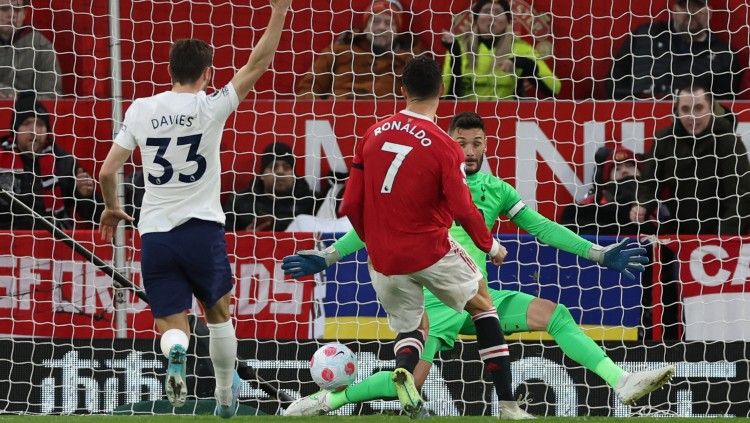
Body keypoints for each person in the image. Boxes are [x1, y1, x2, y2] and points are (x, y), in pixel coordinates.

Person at [282, 112, 674, 418]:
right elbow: (372, 227)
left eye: (477, 143)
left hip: (478, 298)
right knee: (406, 384)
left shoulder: (495, 190)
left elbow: (541, 227)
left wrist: (598, 254)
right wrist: (330, 255)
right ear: (447, 144)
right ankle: (327, 401)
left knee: (557, 315)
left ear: (486, 146)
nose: (470, 151)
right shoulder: (425, 182)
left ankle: (620, 381)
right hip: (436, 304)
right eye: (461, 143)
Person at [96, 0, 291, 417]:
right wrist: (279, 11)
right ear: (207, 74)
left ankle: (177, 354)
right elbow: (259, 62)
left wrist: (113, 208)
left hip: (155, 233)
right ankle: (224, 397)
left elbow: (108, 170)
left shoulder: (141, 109)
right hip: (201, 229)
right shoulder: (211, 105)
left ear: (169, 72)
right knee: (219, 312)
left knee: (170, 321)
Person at [633, 84, 750, 235]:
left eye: (699, 108)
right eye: (685, 109)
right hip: (678, 235)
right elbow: (648, 185)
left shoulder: (729, 142)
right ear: (677, 111)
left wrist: (720, 239)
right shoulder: (664, 140)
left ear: (711, 108)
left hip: (722, 237)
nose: (692, 116)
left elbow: (741, 198)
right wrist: (642, 205)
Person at [0, 92, 100, 229]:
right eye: (26, 123)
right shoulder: (1, 156)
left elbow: (95, 216)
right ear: (15, 130)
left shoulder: (64, 163)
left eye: (40, 124)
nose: (34, 131)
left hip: (54, 242)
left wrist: (86, 196)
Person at [609, 0, 739, 100]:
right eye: (684, 6)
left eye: (697, 7)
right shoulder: (645, 34)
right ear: (674, 10)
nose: (690, 12)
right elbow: (614, 80)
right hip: (636, 120)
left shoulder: (724, 55)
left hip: (691, 126)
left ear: (710, 13)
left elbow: (724, 103)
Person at [295, 0, 426, 99]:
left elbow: (422, 98)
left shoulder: (411, 60)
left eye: (388, 23)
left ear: (397, 30)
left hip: (386, 123)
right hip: (336, 118)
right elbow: (308, 89)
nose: (381, 27)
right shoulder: (339, 50)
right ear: (365, 26)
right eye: (375, 21)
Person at [441, 0, 560, 100]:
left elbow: (554, 88)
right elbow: (445, 94)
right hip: (466, 118)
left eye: (498, 12)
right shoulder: (460, 46)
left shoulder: (521, 48)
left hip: (506, 116)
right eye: (486, 11)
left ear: (508, 21)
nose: (492, 17)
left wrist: (524, 63)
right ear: (476, 18)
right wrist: (455, 54)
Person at [560, 146, 657, 235]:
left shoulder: (656, 201)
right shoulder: (591, 202)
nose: (624, 171)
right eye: (617, 169)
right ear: (607, 180)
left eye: (630, 166)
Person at [223, 142, 316, 231]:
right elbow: (223, 238)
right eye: (273, 167)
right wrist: (245, 237)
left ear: (294, 175)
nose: (280, 172)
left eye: (286, 167)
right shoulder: (239, 202)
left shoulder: (311, 202)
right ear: (262, 175)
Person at [0, 0, 61, 98]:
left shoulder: (42, 47)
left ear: (24, 13)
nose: (11, 14)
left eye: (17, 9)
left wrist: (16, 97)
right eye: (4, 9)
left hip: (25, 111)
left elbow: (51, 97)